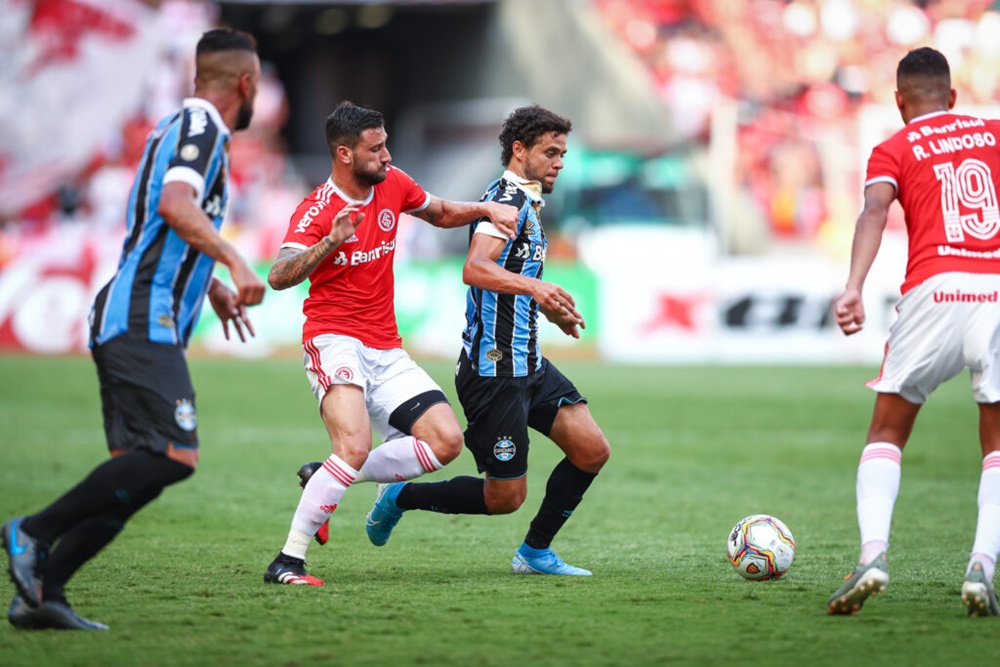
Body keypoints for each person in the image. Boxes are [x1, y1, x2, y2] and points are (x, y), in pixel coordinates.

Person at [2, 28, 266, 630]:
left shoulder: (179, 127)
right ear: (246, 85)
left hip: (138, 312)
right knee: (173, 454)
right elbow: (175, 206)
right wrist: (234, 258)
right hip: (141, 314)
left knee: (137, 473)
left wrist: (212, 286)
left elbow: (157, 224)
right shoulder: (202, 129)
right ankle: (31, 532)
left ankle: (42, 595)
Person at [262, 102, 518, 586]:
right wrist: (329, 243)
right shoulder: (318, 210)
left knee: (446, 442)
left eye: (385, 144)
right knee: (354, 446)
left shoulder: (393, 182)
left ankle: (326, 475)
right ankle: (288, 560)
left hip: (384, 345)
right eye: (375, 148)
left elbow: (439, 211)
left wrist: (484, 208)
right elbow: (278, 275)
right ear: (344, 154)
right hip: (333, 338)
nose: (386, 155)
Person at [362, 104, 610, 575]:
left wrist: (545, 307)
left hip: (529, 363)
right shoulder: (505, 202)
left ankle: (535, 553)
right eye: (550, 152)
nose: (560, 162)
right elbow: (475, 268)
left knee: (592, 450)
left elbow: (508, 279)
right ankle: (401, 494)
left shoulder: (530, 202)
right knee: (505, 498)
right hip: (493, 368)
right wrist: (537, 288)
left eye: (563, 153)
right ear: (519, 151)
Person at [827, 47, 1000, 617]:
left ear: (900, 102)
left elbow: (874, 212)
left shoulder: (895, 145)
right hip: (997, 290)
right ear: (952, 97)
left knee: (887, 431)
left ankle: (873, 555)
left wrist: (853, 286)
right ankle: (981, 564)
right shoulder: (994, 132)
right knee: (997, 443)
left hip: (934, 288)